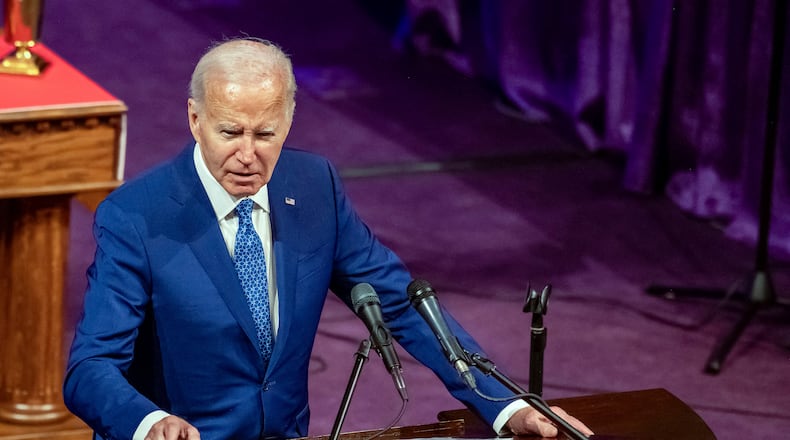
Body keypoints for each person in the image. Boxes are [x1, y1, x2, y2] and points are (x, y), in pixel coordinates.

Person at [63, 37, 593, 440]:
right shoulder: (135, 216)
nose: (248, 154)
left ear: (290, 120)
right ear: (194, 119)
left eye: (266, 134)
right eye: (230, 133)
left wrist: (507, 405)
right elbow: (90, 368)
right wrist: (150, 422)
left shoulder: (315, 187)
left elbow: (401, 305)